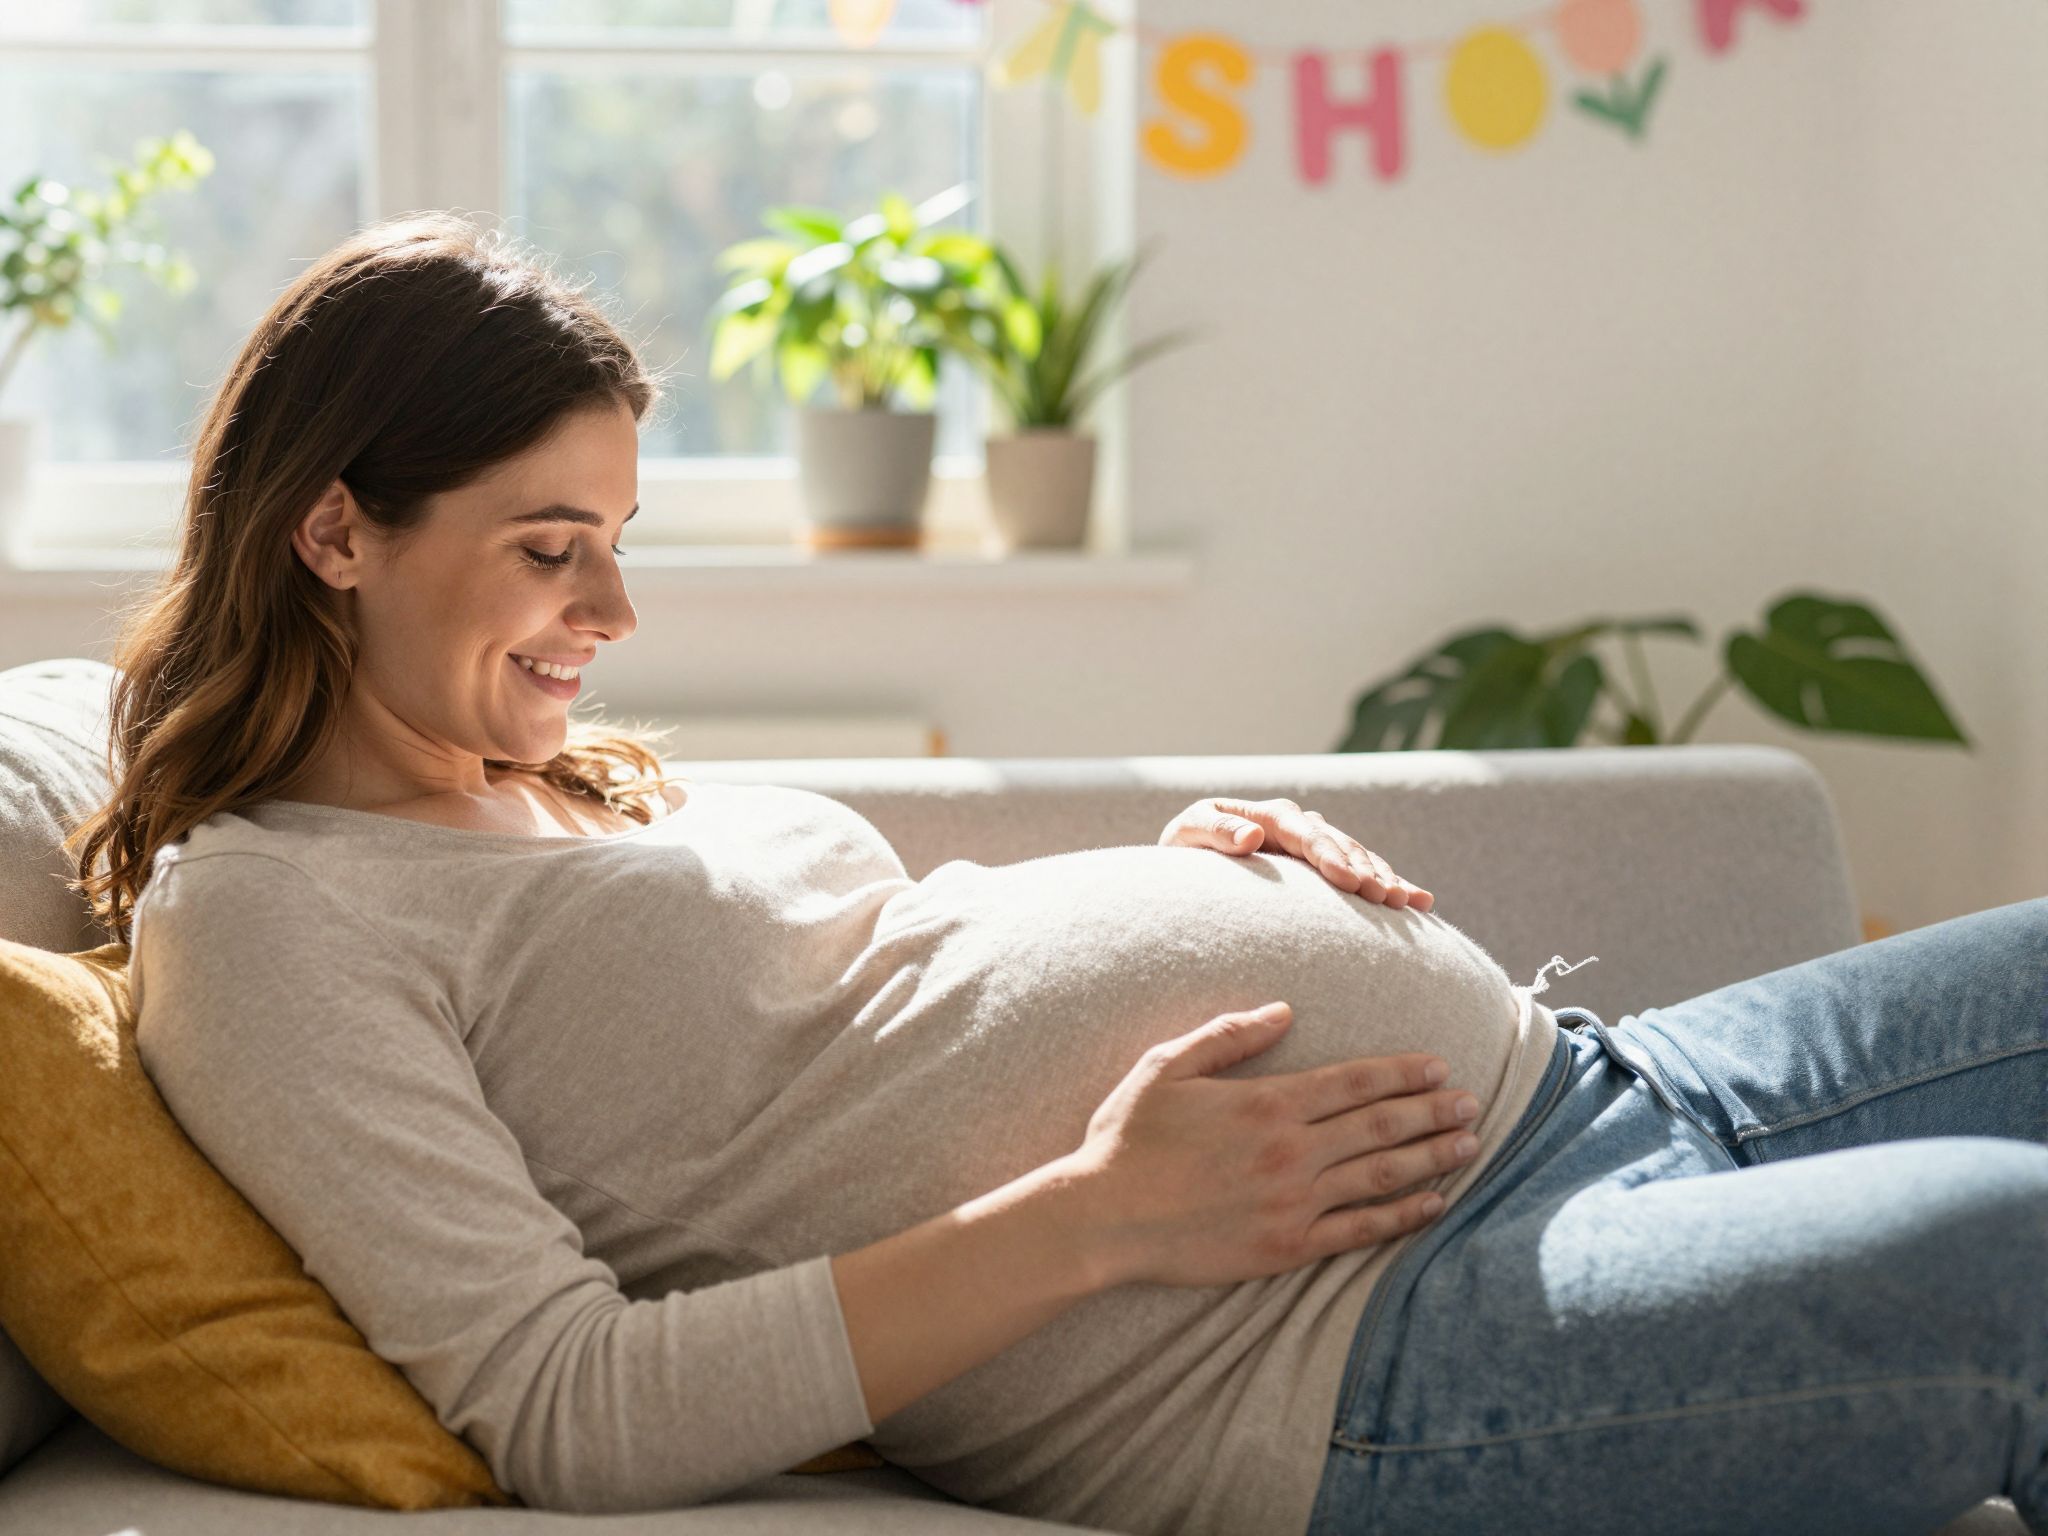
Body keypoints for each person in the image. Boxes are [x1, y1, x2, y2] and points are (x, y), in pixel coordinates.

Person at [65, 214, 2046, 1536]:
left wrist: (1166, 870)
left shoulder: (543, 774)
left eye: (618, 535)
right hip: (1353, 1349)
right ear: (334, 529)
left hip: (1578, 1091)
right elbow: (565, 1403)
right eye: (549, 543)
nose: (615, 603)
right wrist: (1093, 1217)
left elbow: (862, 1010)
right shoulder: (268, 919)